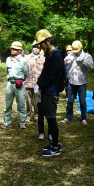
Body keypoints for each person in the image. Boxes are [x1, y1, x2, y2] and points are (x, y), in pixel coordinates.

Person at [34, 29, 64, 157]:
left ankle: (56, 146)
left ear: (48, 41)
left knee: (52, 119)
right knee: (48, 118)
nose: (40, 47)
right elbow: (44, 72)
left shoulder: (56, 56)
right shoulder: (49, 55)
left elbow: (52, 76)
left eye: (41, 44)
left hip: (51, 92)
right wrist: (38, 83)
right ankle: (54, 144)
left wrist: (40, 85)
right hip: (46, 90)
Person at [61, 40, 94, 125]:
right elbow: (64, 64)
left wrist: (83, 61)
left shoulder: (87, 56)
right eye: (74, 51)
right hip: (71, 82)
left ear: (81, 49)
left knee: (82, 101)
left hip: (81, 83)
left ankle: (83, 118)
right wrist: (65, 61)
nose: (75, 53)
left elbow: (91, 66)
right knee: (70, 101)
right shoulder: (70, 55)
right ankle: (68, 117)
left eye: (77, 52)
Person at [1, 41, 29, 129]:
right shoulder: (8, 59)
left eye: (15, 49)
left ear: (20, 50)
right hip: (9, 83)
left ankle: (22, 122)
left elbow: (26, 73)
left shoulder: (24, 60)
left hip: (19, 84)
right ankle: (7, 122)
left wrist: (20, 80)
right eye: (12, 48)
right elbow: (7, 71)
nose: (12, 50)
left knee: (21, 104)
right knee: (8, 104)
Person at [25, 41, 45, 124]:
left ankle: (37, 116)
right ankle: (28, 115)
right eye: (34, 48)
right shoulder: (27, 57)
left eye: (37, 48)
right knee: (28, 101)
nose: (36, 49)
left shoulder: (43, 58)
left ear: (40, 49)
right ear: (32, 48)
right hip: (28, 82)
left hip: (38, 84)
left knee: (37, 101)